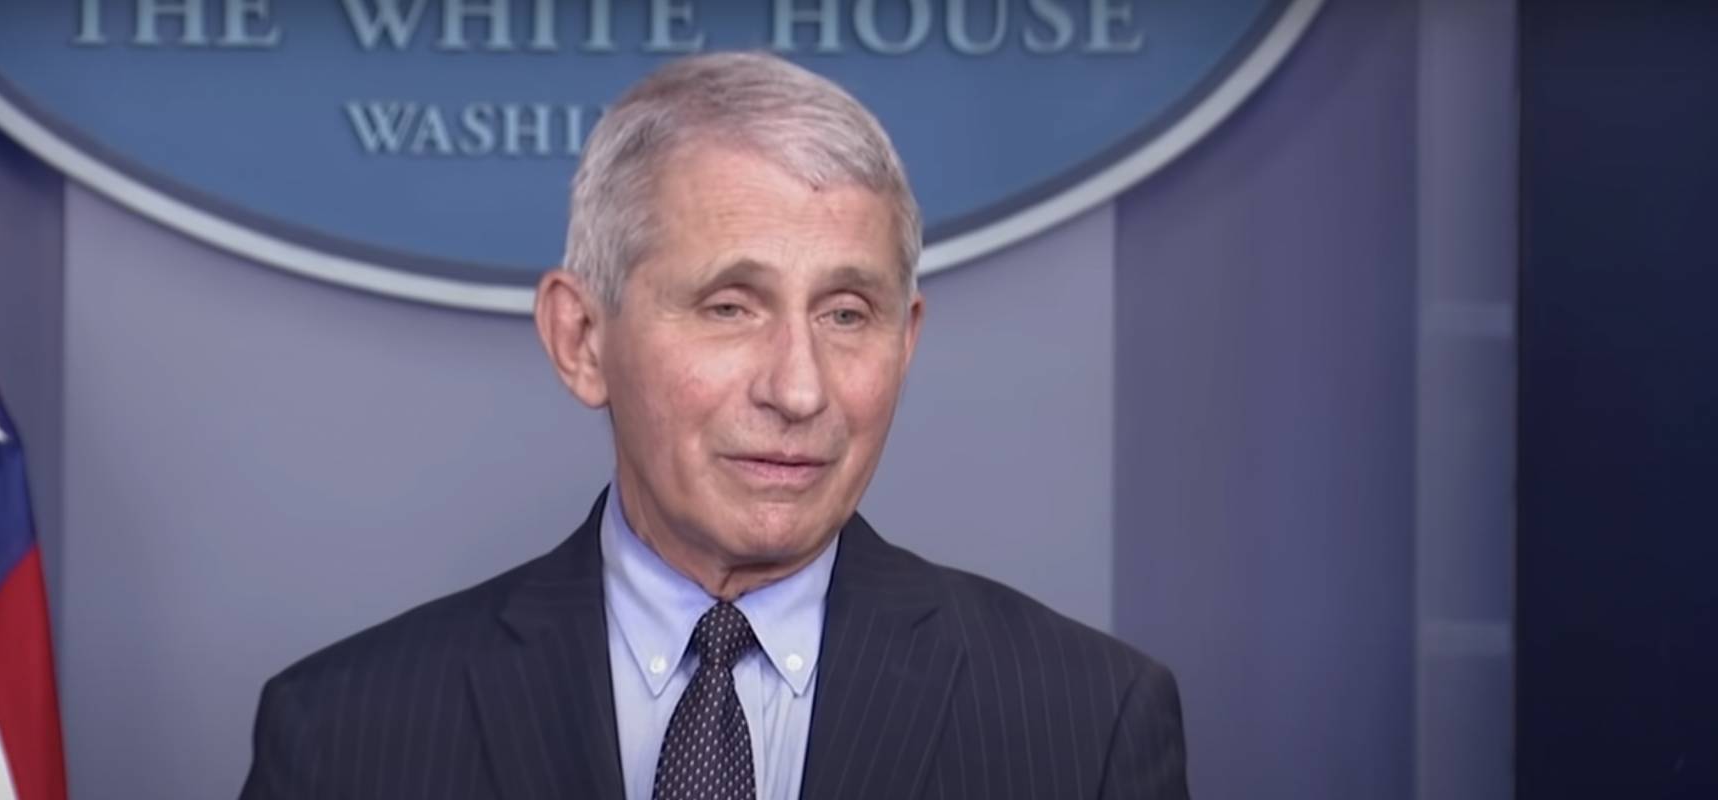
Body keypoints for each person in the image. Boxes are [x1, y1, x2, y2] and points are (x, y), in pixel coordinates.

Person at [241, 51, 1187, 800]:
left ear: (906, 342)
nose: (799, 389)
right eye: (731, 306)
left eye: (847, 314)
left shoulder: (1086, 723)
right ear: (581, 339)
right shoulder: (346, 733)